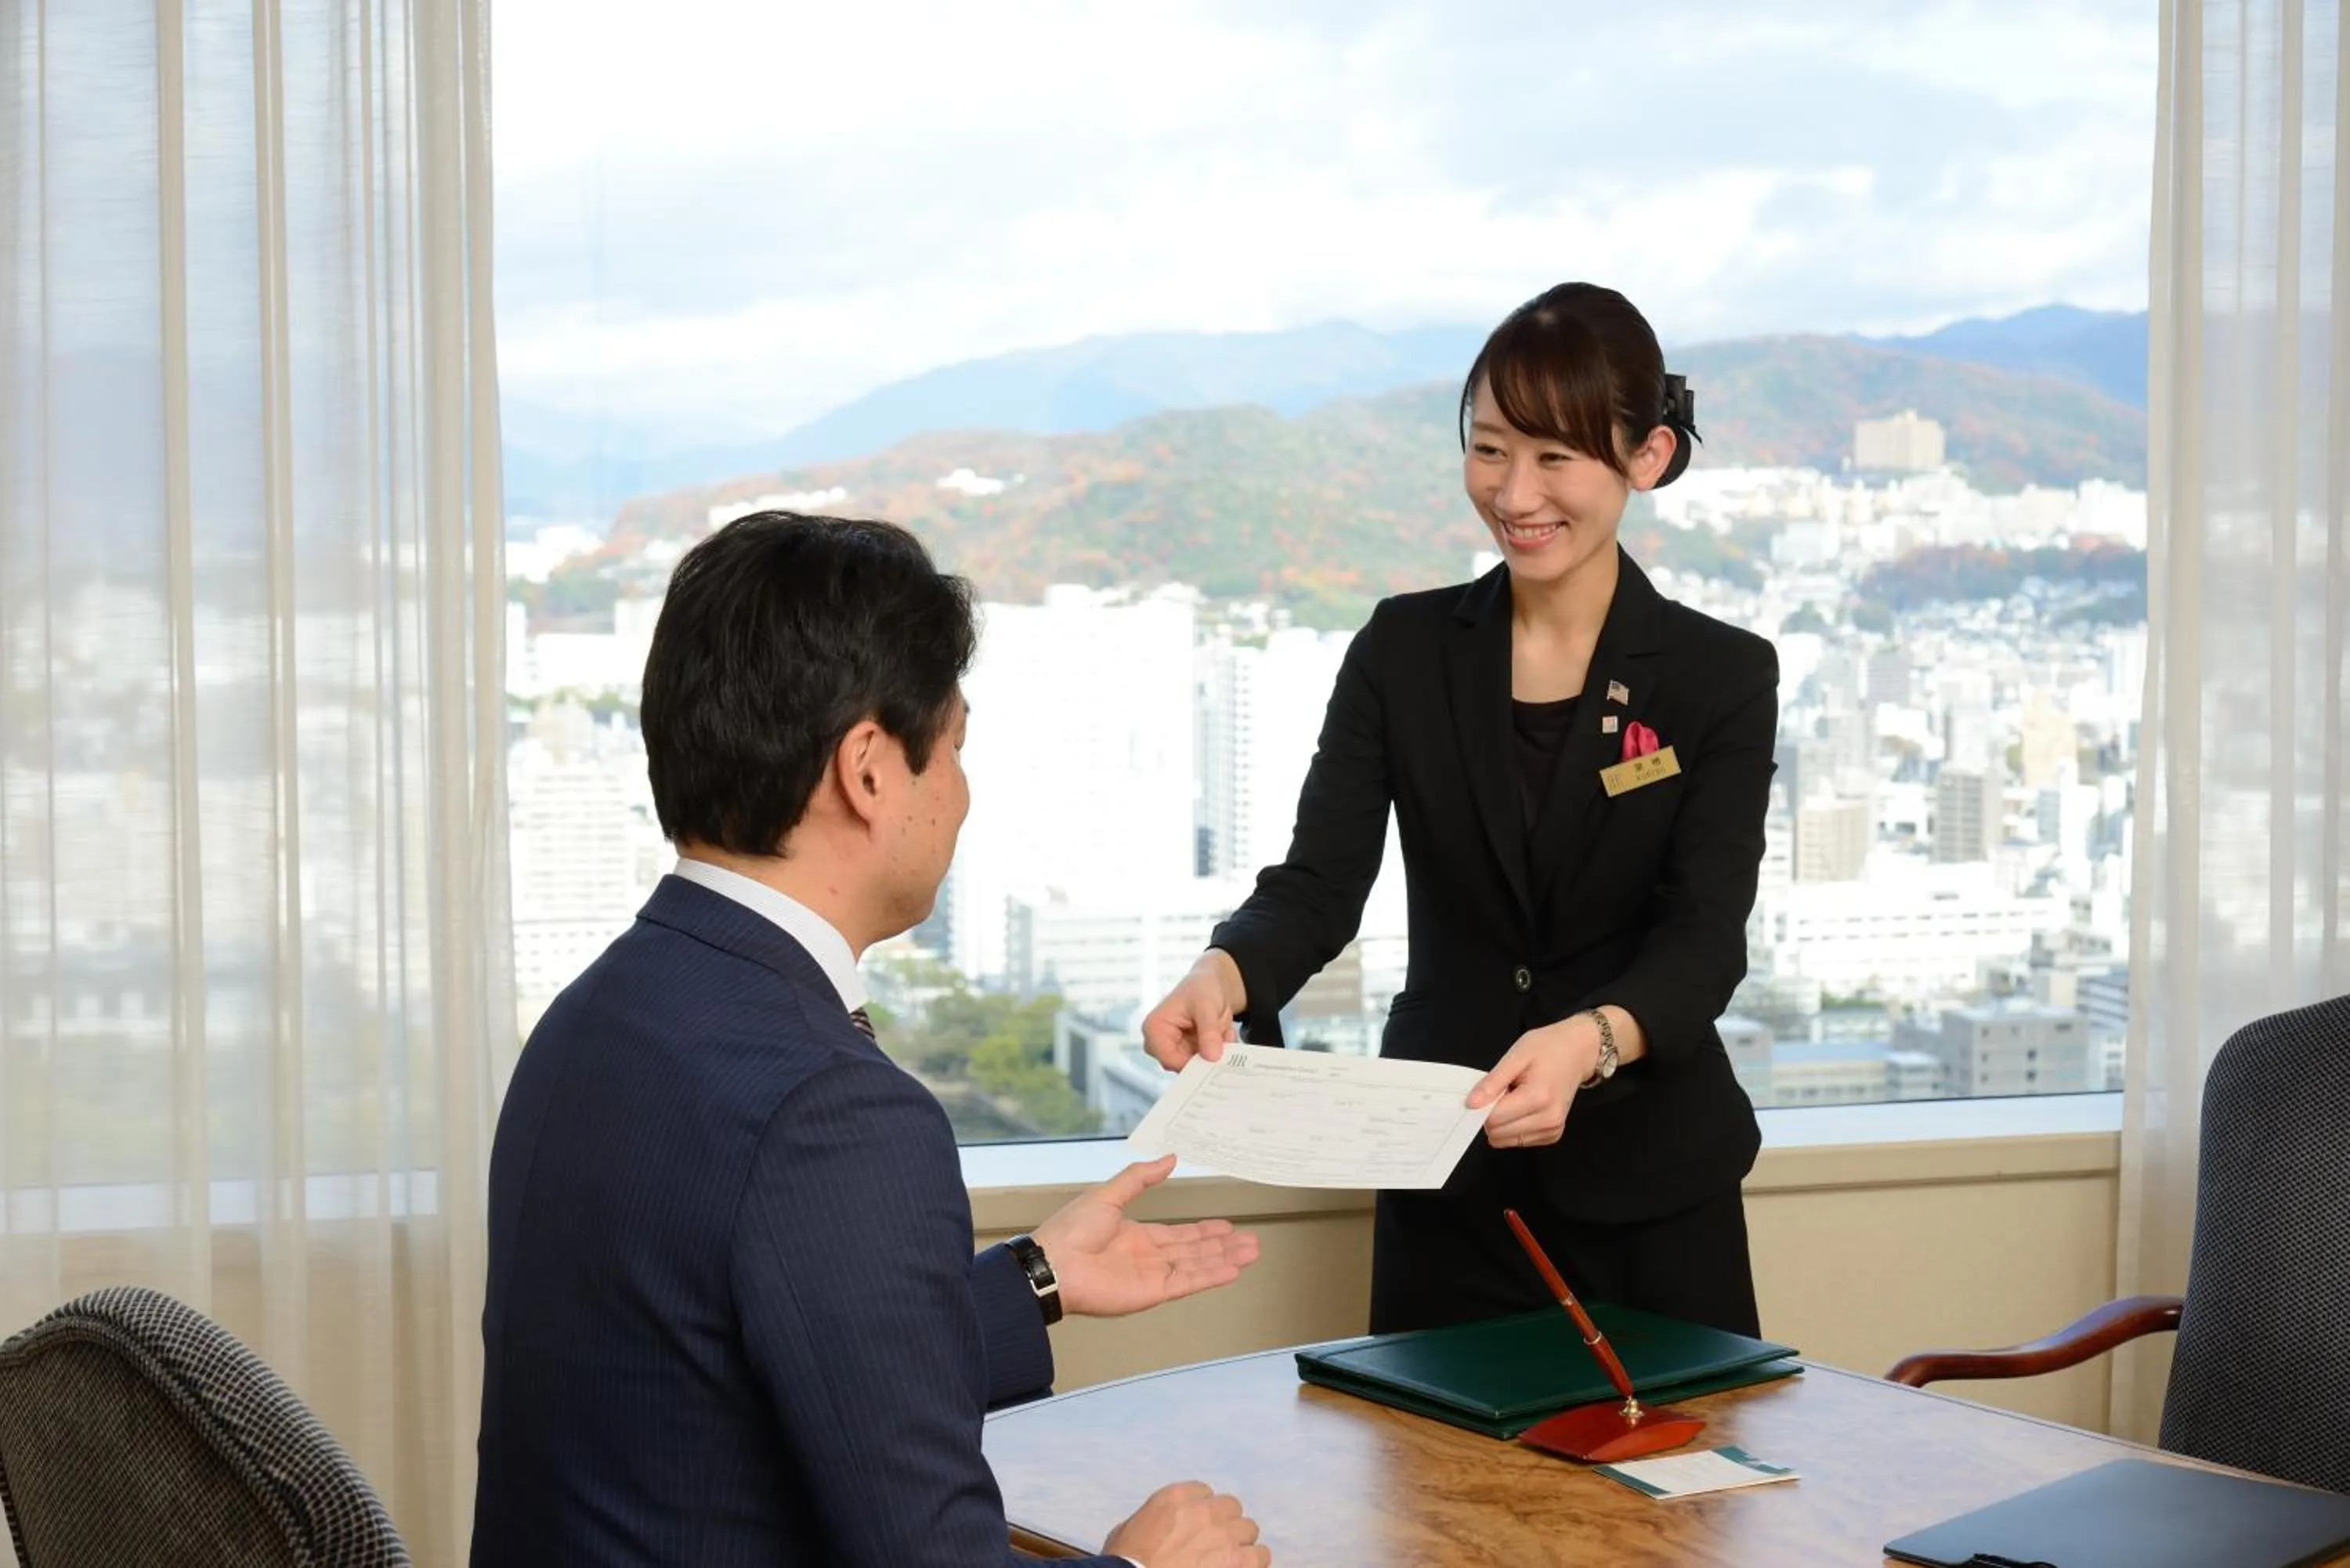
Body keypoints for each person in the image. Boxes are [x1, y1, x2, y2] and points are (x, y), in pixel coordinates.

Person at [472, 512, 1271, 1568]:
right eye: (952, 749)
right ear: (869, 769)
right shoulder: (838, 1113)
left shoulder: (594, 1016)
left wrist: (1032, 1279)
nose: (963, 793)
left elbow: (707, 1380)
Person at [1142, 283, 1779, 1340]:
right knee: (1433, 1501)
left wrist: (1592, 1040)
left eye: (1555, 457)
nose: (1515, 492)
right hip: (1447, 1182)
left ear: (1648, 456)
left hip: (1653, 1198)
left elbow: (1704, 938)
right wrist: (1226, 970)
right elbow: (1318, 884)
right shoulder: (1404, 650)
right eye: (1489, 451)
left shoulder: (1718, 676)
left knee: (1671, 1504)